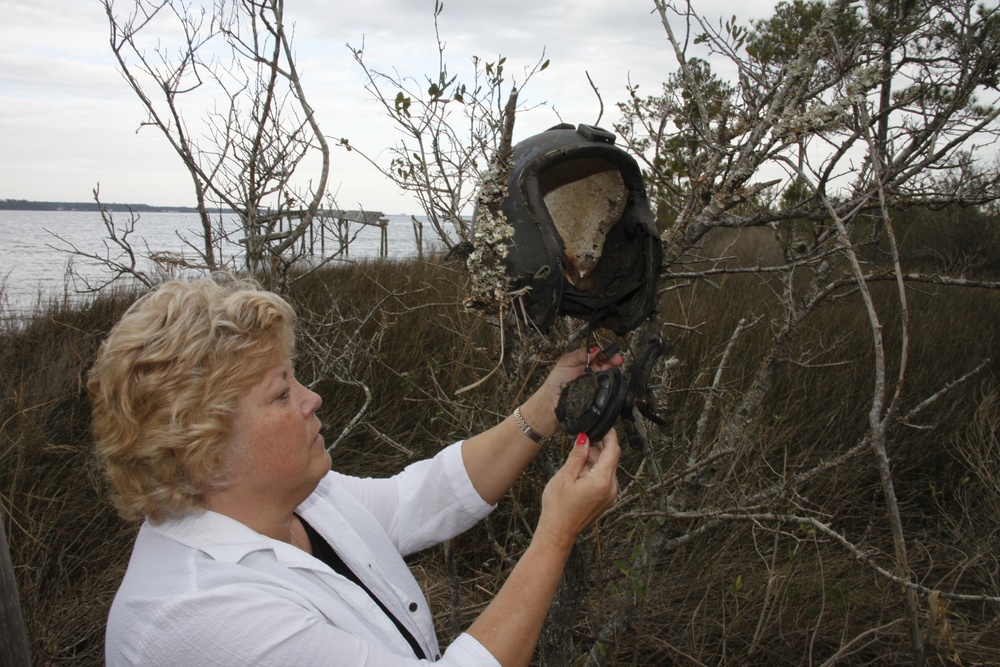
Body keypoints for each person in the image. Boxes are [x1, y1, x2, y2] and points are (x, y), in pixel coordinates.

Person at [88, 276, 622, 666]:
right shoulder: (202, 615)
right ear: (199, 448)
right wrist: (555, 536)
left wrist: (548, 403)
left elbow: (419, 498)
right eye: (280, 393)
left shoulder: (294, 503)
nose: (311, 398)